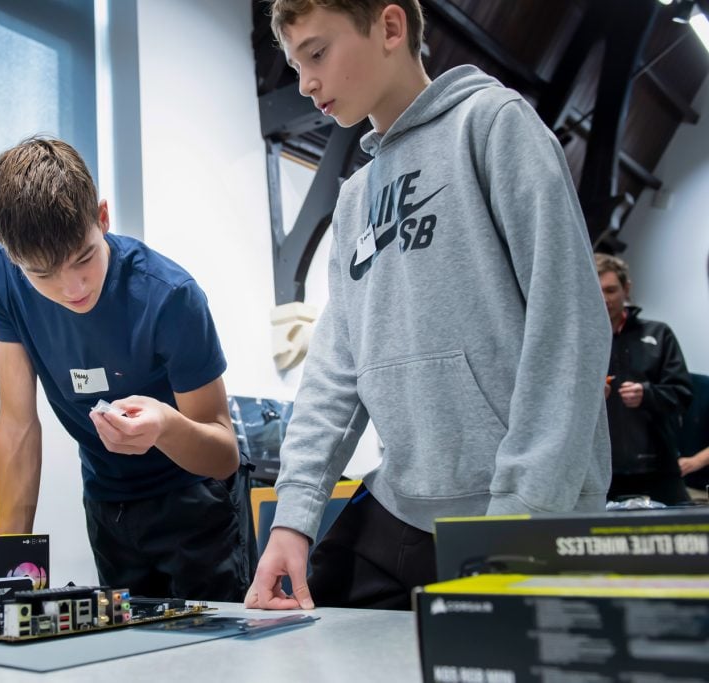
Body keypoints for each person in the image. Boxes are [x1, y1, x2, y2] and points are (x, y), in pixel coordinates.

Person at [246, 0, 611, 611]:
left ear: (390, 27)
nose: (305, 83)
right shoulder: (357, 196)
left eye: (316, 53)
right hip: (403, 505)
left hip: (522, 511)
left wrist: (521, 512)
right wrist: (293, 517)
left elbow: (569, 328)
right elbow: (336, 369)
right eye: (294, 63)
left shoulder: (493, 125)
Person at [0, 136, 253, 601]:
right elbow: (17, 422)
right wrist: (6, 566)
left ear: (102, 218)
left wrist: (166, 426)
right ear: (13, 257)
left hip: (195, 502)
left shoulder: (169, 296)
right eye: (43, 274)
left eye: (84, 258)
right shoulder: (3, 279)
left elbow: (223, 454)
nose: (72, 288)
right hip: (108, 503)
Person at [596, 253, 693, 505]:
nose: (604, 298)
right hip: (600, 471)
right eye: (598, 291)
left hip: (658, 468)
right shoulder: (577, 341)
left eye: (611, 290)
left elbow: (682, 394)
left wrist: (647, 394)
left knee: (682, 538)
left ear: (626, 289)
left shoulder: (658, 333)